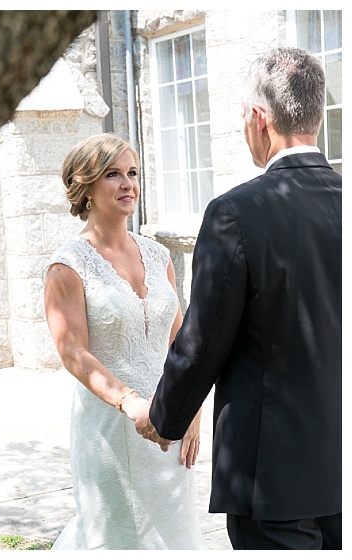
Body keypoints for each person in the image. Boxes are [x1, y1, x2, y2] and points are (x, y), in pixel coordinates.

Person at [136, 46, 341, 550]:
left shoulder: (236, 212)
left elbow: (203, 339)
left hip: (273, 475)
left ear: (259, 119)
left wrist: (164, 417)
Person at [43, 133, 207, 549]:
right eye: (112, 174)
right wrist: (129, 401)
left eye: (132, 173)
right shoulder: (67, 265)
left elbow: (180, 342)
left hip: (169, 424)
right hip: (110, 429)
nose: (127, 184)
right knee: (117, 539)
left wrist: (193, 412)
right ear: (86, 185)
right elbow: (72, 352)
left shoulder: (158, 256)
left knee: (175, 538)